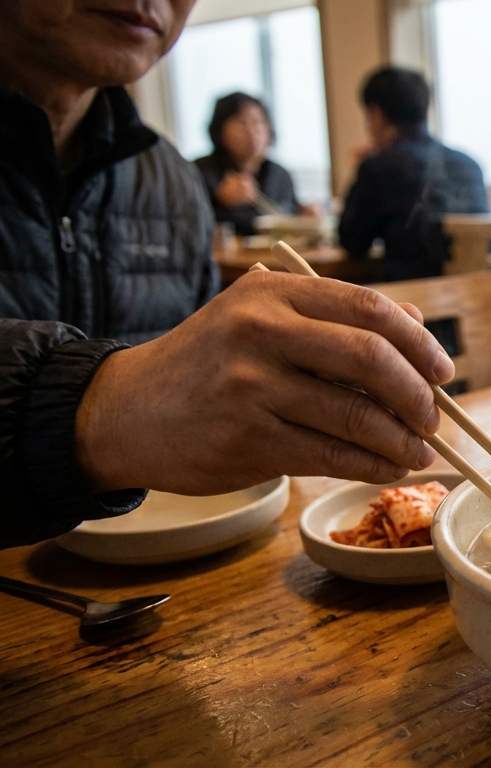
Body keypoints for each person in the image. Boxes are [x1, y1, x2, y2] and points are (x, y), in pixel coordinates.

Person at [0, 1, 451, 549]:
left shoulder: (167, 179)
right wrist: (101, 408)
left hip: (175, 549)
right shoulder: (201, 178)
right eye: (243, 120)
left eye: (261, 121)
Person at [338, 66, 490, 282]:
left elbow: (352, 241)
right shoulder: (469, 164)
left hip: (415, 306)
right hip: (475, 302)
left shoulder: (380, 167)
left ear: (376, 114)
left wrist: (360, 168)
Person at [192, 91, 313, 236]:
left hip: (274, 254)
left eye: (259, 122)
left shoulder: (279, 174)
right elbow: (188, 225)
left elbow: (287, 215)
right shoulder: (198, 171)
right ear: (220, 129)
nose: (252, 132)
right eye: (242, 123)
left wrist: (304, 217)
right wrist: (219, 201)